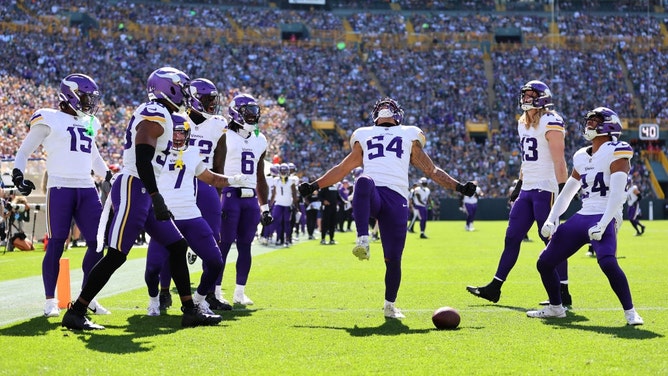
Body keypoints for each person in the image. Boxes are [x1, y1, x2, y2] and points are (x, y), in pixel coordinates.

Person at [61, 67, 221, 330]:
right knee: (116, 255)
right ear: (167, 88)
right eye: (180, 89)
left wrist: (154, 194)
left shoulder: (166, 114)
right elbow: (142, 155)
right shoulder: (155, 111)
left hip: (145, 189)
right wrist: (156, 195)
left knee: (177, 246)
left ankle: (190, 310)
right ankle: (76, 311)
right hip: (135, 186)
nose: (183, 95)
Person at [299, 97, 476, 319]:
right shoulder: (363, 133)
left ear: (397, 115)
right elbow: (343, 168)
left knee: (393, 258)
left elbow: (431, 170)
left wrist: (459, 187)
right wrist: (314, 185)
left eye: (389, 107)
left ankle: (390, 305)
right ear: (375, 115)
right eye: (381, 107)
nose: (384, 108)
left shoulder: (408, 133)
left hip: (397, 197)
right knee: (363, 180)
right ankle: (363, 239)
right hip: (372, 193)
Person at [528, 107, 643, 325]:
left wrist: (603, 223)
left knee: (608, 263)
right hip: (584, 214)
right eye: (588, 120)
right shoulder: (581, 156)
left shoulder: (617, 150)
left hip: (605, 214)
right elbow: (567, 193)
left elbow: (618, 195)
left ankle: (630, 312)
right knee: (544, 262)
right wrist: (552, 218)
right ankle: (556, 308)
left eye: (595, 120)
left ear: (609, 125)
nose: (589, 124)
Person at [12, 73, 112, 318]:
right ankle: (50, 301)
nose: (90, 102)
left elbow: (94, 157)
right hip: (60, 187)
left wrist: (109, 176)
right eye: (86, 97)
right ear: (71, 95)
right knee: (56, 243)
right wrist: (17, 174)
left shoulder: (89, 121)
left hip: (87, 188)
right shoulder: (50, 118)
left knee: (99, 243)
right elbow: (24, 150)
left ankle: (87, 297)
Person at [466, 80, 570, 306]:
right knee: (512, 237)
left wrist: (563, 191)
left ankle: (564, 291)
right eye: (524, 94)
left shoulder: (551, 120)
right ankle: (495, 287)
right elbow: (526, 159)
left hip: (546, 188)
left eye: (530, 95)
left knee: (551, 240)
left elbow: (559, 159)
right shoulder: (522, 123)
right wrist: (518, 185)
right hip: (529, 188)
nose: (525, 98)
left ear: (542, 97)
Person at [144, 112, 248, 316]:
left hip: (190, 214)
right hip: (165, 216)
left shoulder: (192, 153)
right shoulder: (155, 152)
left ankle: (199, 300)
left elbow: (211, 178)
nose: (177, 137)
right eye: (173, 133)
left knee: (215, 261)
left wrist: (233, 180)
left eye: (181, 133)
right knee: (153, 268)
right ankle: (154, 299)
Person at [212, 93, 273, 306]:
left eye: (255, 112)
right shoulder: (224, 135)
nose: (252, 116)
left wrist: (264, 207)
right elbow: (216, 169)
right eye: (248, 112)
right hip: (229, 194)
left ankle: (240, 291)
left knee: (246, 245)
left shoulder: (260, 139)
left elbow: (260, 175)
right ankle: (216, 291)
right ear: (236, 112)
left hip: (250, 198)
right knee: (224, 245)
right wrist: (214, 201)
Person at [270, 163, 298, 247]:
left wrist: (295, 206)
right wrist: (270, 205)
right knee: (276, 221)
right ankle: (279, 238)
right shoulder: (276, 180)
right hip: (278, 204)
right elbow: (274, 193)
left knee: (287, 223)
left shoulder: (291, 180)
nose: (283, 173)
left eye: (284, 171)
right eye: (281, 171)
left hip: (287, 204)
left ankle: (288, 239)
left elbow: (294, 194)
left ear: (288, 171)